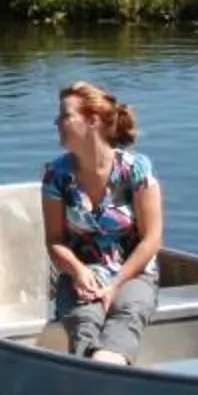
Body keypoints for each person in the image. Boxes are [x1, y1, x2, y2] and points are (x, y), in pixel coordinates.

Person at [41, 78, 162, 363]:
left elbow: (152, 239)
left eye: (65, 115)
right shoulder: (56, 175)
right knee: (85, 323)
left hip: (133, 271)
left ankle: (105, 370)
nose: (56, 122)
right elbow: (54, 240)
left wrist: (116, 284)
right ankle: (96, 380)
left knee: (126, 316)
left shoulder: (135, 169)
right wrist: (79, 272)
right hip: (83, 272)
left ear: (92, 121)